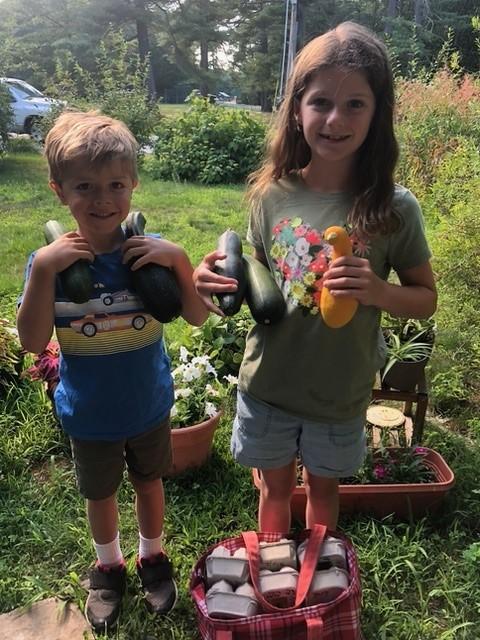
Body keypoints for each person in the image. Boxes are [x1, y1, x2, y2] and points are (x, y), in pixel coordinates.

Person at [193, 22, 437, 533]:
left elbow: (425, 299)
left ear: (378, 113)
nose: (335, 119)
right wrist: (218, 276)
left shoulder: (394, 209)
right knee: (274, 489)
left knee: (325, 492)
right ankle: (279, 577)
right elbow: (257, 265)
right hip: (269, 384)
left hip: (340, 392)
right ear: (297, 108)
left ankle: (319, 582)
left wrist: (378, 290)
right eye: (321, 101)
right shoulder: (271, 194)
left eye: (355, 104)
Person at [17, 111, 208, 633]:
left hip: (148, 403)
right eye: (85, 187)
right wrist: (43, 271)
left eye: (115, 185)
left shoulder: (150, 253)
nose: (102, 200)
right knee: (99, 494)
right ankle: (108, 567)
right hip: (90, 412)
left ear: (133, 185)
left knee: (149, 484)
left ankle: (152, 557)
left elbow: (193, 314)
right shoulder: (51, 263)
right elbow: (33, 340)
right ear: (59, 192)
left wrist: (180, 259)